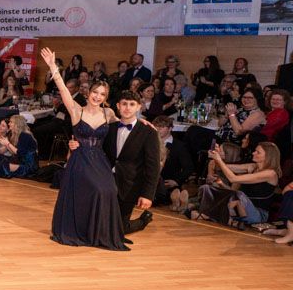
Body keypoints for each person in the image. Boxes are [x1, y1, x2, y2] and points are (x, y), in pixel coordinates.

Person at [40, 48, 127, 251]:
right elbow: (62, 89)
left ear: (106, 97)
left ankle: (99, 232)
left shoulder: (109, 112)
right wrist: (53, 67)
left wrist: (146, 124)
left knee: (109, 190)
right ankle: (81, 230)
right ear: (89, 92)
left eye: (102, 94)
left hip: (99, 160)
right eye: (95, 92)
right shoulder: (76, 110)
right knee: (95, 191)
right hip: (80, 159)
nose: (97, 96)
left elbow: (127, 120)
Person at [103, 89, 160, 239]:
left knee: (116, 231)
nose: (127, 108)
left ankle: (142, 221)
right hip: (106, 182)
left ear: (138, 107)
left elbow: (153, 167)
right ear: (118, 106)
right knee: (100, 225)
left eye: (132, 104)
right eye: (124, 104)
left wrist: (147, 195)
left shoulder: (148, 132)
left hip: (129, 186)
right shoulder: (110, 128)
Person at [194, 142, 280, 226]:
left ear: (268, 156)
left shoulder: (270, 174)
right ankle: (222, 216)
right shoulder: (253, 166)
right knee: (207, 188)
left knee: (239, 194)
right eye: (255, 151)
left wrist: (219, 160)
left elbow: (233, 179)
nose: (253, 153)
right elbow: (220, 166)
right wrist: (217, 156)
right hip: (237, 204)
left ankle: (210, 213)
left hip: (258, 214)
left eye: (258, 152)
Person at [153, 115, 194, 212]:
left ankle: (177, 200)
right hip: (150, 180)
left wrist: (176, 181)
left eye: (162, 127)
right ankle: (177, 201)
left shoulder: (179, 146)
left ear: (170, 128)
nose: (158, 130)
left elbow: (189, 167)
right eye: (156, 127)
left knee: (159, 196)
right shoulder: (149, 142)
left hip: (167, 182)